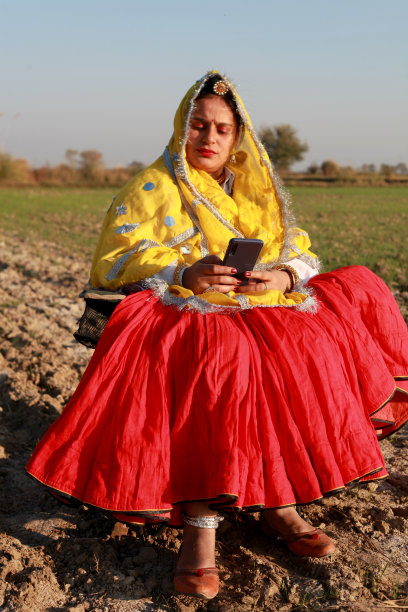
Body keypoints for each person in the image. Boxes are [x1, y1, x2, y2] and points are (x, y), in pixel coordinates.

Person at [26, 71, 408, 600]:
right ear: (182, 128)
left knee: (303, 347)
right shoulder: (152, 186)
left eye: (222, 129)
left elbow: (294, 245)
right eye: (199, 125)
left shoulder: (255, 188)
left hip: (258, 303)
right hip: (184, 309)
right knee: (222, 359)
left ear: (238, 136)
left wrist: (285, 275)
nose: (209, 138)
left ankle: (280, 503)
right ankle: (200, 532)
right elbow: (118, 259)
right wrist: (186, 273)